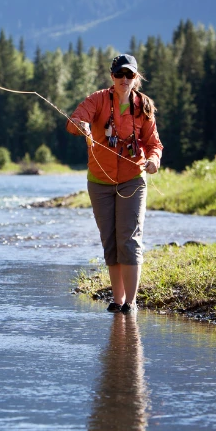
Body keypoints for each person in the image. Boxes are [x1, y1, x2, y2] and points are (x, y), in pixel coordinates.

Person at [66, 54, 162, 313]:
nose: (124, 79)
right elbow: (74, 122)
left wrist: (154, 160)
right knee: (110, 241)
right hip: (99, 181)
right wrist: (81, 126)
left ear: (136, 78)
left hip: (132, 179)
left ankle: (131, 303)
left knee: (128, 239)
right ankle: (117, 300)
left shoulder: (143, 106)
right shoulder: (97, 100)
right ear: (112, 77)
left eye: (129, 75)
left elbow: (154, 144)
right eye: (119, 74)